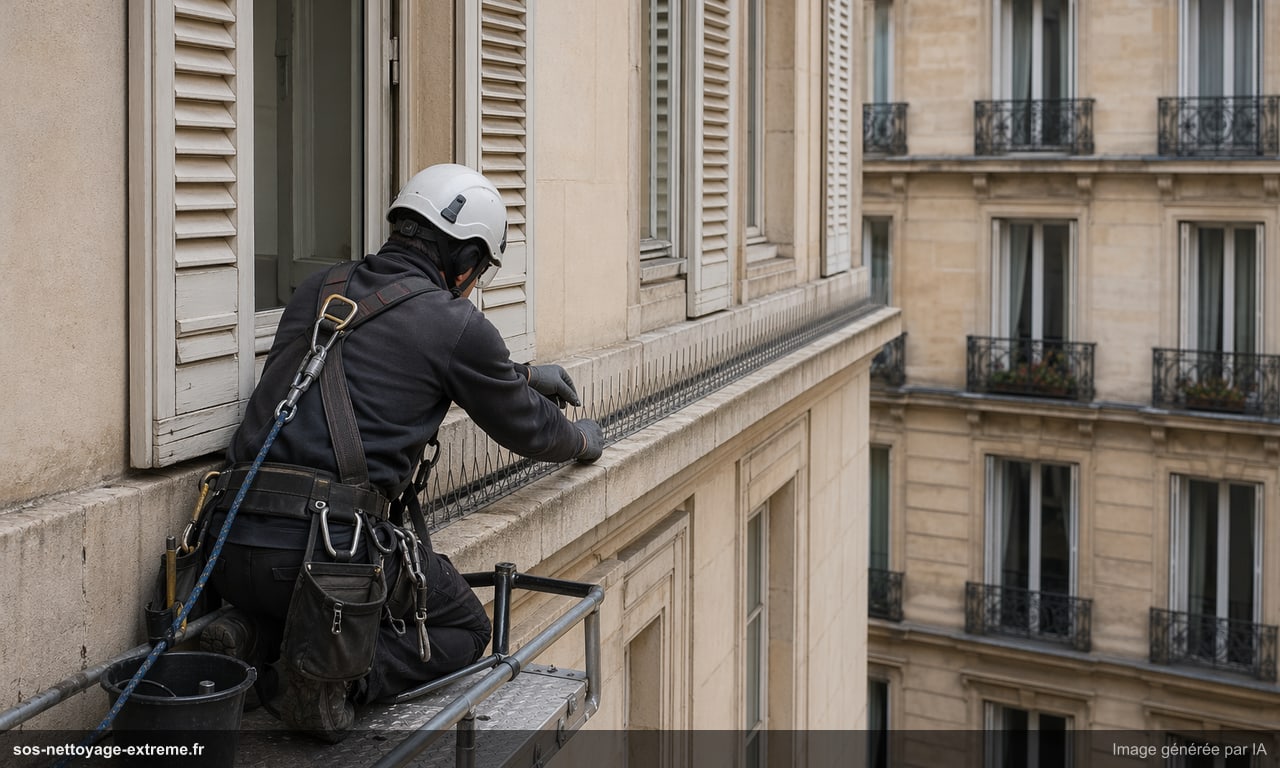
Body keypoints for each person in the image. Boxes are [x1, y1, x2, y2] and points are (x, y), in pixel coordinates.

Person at [197, 163, 605, 741]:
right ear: (464, 259)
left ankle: (255, 640)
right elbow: (530, 430)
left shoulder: (322, 288)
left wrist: (524, 373)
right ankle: (327, 683)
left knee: (310, 593)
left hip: (232, 546)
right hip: (326, 559)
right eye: (479, 271)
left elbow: (385, 355)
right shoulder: (455, 323)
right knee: (464, 627)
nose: (473, 283)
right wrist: (582, 438)